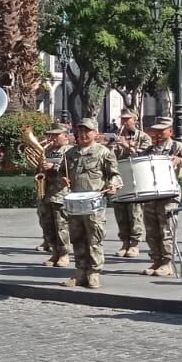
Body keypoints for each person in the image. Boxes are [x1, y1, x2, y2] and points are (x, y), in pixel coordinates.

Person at [60, 119, 120, 289]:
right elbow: (60, 174)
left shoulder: (104, 152)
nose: (83, 134)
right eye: (80, 131)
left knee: (94, 237)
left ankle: (93, 273)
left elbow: (114, 174)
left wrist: (112, 185)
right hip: (75, 202)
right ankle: (80, 272)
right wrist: (62, 180)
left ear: (95, 133)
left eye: (87, 131)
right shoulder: (70, 154)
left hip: (94, 203)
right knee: (77, 238)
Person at [140, 119, 182, 278]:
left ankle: (167, 263)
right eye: (155, 131)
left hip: (169, 195)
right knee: (151, 230)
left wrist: (180, 160)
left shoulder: (178, 147)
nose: (157, 134)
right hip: (151, 194)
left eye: (161, 131)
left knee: (167, 230)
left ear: (170, 132)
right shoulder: (150, 149)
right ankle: (156, 260)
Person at [111, 111, 152, 258]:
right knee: (120, 211)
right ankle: (124, 242)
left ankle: (134, 244)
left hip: (135, 178)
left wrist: (128, 146)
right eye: (122, 119)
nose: (124, 122)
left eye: (127, 120)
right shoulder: (117, 135)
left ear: (134, 120)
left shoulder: (143, 137)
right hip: (120, 178)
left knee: (135, 212)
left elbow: (144, 156)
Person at [34, 125, 71, 270]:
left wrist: (53, 167)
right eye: (51, 135)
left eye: (56, 135)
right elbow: (40, 169)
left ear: (65, 136)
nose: (52, 138)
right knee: (48, 225)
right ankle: (54, 252)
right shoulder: (47, 150)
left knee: (61, 225)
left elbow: (70, 168)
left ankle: (64, 254)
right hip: (46, 193)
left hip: (60, 193)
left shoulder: (69, 150)